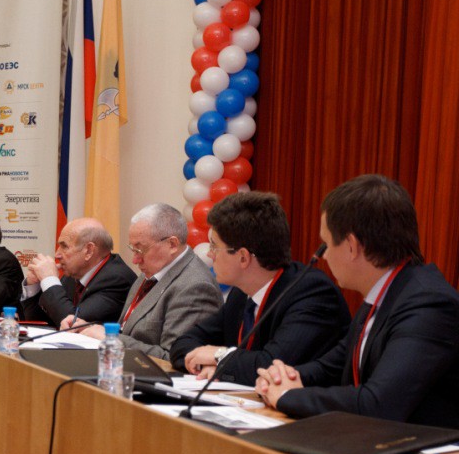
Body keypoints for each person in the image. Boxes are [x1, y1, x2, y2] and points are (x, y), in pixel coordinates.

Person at [256, 174, 459, 427]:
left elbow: (379, 404)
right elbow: (333, 366)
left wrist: (288, 396)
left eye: (326, 245)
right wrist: (280, 378)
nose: (324, 257)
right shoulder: (385, 293)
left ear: (351, 246)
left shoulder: (429, 304)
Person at [170, 192, 350, 384]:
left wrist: (219, 357)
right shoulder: (241, 293)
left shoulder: (312, 293)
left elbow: (271, 367)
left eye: (214, 246)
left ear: (243, 257)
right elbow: (183, 344)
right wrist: (210, 366)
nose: (210, 254)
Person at [75, 204, 222, 360]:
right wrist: (89, 329)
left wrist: (112, 339)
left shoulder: (195, 287)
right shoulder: (153, 269)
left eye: (140, 250)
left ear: (172, 244)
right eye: (133, 249)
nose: (135, 259)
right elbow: (127, 330)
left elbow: (173, 358)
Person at [20, 217, 136, 327]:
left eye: (64, 246)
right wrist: (33, 286)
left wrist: (49, 280)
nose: (57, 254)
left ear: (89, 251)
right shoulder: (73, 274)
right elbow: (42, 323)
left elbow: (72, 324)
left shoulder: (117, 280)